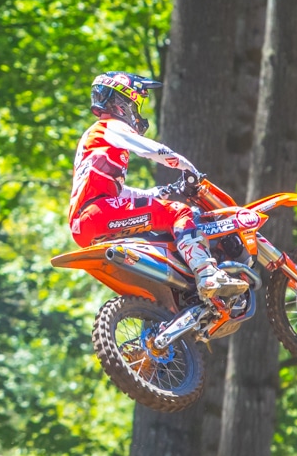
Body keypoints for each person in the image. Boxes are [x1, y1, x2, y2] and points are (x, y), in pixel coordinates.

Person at [67, 71, 248, 300]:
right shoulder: (109, 126)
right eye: (136, 103)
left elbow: (117, 191)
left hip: (87, 222)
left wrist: (154, 193)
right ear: (122, 102)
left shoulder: (96, 139)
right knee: (179, 212)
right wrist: (188, 169)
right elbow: (151, 150)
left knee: (160, 227)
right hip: (96, 214)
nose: (137, 111)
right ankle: (207, 274)